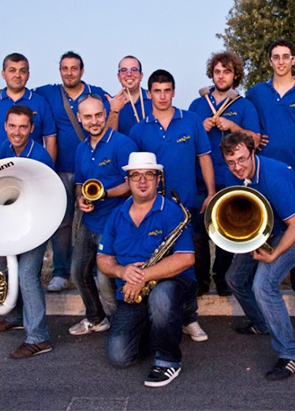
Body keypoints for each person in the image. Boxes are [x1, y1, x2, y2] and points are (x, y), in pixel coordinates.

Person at [221, 132, 295, 380]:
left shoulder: (273, 176)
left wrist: (274, 254)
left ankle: (290, 354)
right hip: (271, 227)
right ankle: (262, 323)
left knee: (263, 284)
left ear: (253, 153)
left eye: (242, 159)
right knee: (233, 278)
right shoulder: (239, 173)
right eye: (231, 162)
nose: (237, 167)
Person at [97, 152, 197, 387]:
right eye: (136, 175)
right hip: (132, 291)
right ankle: (165, 331)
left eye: (149, 175)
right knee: (119, 357)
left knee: (161, 298)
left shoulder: (172, 211)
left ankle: (168, 361)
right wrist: (122, 272)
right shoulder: (117, 215)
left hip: (171, 285)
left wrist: (143, 276)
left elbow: (186, 258)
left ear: (158, 179)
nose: (142, 181)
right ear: (128, 180)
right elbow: (103, 258)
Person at [130, 69, 213, 342]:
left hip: (186, 206)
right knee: (157, 262)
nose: (162, 96)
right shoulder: (139, 129)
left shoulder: (190, 120)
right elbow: (135, 173)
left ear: (174, 91)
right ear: (149, 93)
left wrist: (211, 193)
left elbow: (204, 158)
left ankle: (190, 319)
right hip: (153, 209)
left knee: (188, 264)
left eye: (167, 90)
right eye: (157, 91)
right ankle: (159, 317)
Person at [246, 39, 295, 313]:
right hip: (262, 173)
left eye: (285, 57)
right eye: (275, 57)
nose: (280, 61)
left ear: (293, 60)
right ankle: (264, 287)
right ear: (269, 61)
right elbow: (237, 107)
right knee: (264, 228)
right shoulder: (256, 92)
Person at [35, 51, 108, 292]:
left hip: (92, 167)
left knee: (97, 219)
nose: (69, 72)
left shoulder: (96, 93)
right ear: (60, 71)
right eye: (65, 68)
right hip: (63, 169)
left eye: (74, 68)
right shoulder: (49, 93)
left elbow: (110, 118)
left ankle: (100, 271)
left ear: (82, 71)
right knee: (62, 223)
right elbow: (23, 96)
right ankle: (60, 272)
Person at [189, 51, 261, 296]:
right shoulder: (198, 105)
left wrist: (233, 127)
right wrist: (200, 127)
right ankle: (201, 280)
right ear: (212, 74)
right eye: (217, 71)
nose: (221, 76)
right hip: (201, 181)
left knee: (226, 234)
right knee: (198, 232)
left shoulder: (243, 105)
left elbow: (256, 140)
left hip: (233, 179)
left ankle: (221, 277)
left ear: (235, 75)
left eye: (227, 71)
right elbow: (186, 140)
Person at [68, 94, 137, 336]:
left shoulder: (123, 144)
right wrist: (80, 199)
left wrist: (104, 194)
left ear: (106, 113)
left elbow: (133, 184)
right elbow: (80, 182)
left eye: (98, 115)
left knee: (108, 280)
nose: (94, 121)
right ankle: (96, 318)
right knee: (78, 272)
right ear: (80, 118)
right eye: (87, 116)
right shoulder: (81, 147)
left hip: (114, 223)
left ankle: (123, 328)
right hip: (89, 222)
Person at [0, 105, 54, 358]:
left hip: (36, 222)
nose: (17, 132)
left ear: (32, 128)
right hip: (12, 217)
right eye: (12, 126)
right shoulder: (3, 147)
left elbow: (46, 198)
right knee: (5, 268)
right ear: (5, 126)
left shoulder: (41, 156)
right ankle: (12, 315)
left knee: (26, 275)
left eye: (23, 127)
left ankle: (39, 338)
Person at [0, 53, 56, 162]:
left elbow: (50, 139)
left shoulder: (40, 102)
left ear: (28, 75)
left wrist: (48, 172)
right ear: (3, 74)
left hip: (33, 170)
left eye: (22, 71)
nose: (17, 75)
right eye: (12, 70)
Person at [106, 56, 152, 136]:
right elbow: (108, 140)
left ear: (141, 75)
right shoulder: (109, 105)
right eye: (124, 70)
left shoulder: (154, 99)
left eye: (134, 70)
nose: (129, 74)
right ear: (118, 77)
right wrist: (114, 112)